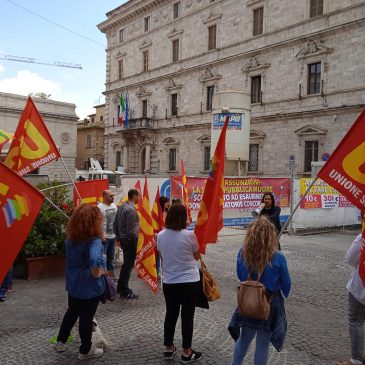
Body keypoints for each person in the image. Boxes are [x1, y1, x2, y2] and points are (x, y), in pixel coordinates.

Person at [231, 216, 291, 365]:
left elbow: (240, 275)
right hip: (269, 302)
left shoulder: (242, 252)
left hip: (248, 301)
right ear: (271, 235)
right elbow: (286, 284)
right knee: (263, 343)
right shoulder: (278, 256)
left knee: (244, 338)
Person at [54, 204, 106, 360]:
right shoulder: (93, 241)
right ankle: (85, 350)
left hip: (73, 282)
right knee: (86, 317)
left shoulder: (71, 237)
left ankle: (60, 342)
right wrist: (96, 273)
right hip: (89, 286)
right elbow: (94, 259)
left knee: (72, 312)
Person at [157, 203, 203, 363]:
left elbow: (163, 257)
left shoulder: (160, 235)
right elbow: (197, 256)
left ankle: (168, 348)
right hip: (189, 282)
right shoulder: (189, 235)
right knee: (187, 316)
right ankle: (186, 352)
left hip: (170, 282)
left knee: (170, 314)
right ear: (183, 218)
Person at [336, 230, 365, 365]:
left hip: (361, 287)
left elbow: (350, 258)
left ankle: (356, 360)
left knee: (356, 321)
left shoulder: (362, 237)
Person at [113, 188, 140, 299]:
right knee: (128, 266)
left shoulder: (121, 207)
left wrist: (119, 236)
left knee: (126, 265)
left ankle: (120, 286)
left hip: (123, 240)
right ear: (134, 196)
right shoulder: (131, 210)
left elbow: (115, 224)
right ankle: (124, 289)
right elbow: (131, 230)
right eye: (138, 196)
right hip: (129, 241)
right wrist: (137, 240)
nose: (139, 198)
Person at [98, 190, 117, 276]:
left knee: (111, 257)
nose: (113, 197)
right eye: (111, 196)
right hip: (104, 237)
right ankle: (104, 275)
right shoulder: (99, 208)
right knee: (102, 257)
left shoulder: (114, 205)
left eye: (113, 196)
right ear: (104, 196)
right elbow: (97, 223)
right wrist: (102, 235)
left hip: (113, 236)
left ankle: (111, 275)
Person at [155, 195, 170, 277]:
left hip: (168, 236)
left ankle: (166, 271)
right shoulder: (157, 213)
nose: (168, 203)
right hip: (159, 236)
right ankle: (157, 271)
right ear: (162, 203)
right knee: (158, 254)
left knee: (166, 255)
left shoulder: (169, 212)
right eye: (166, 202)